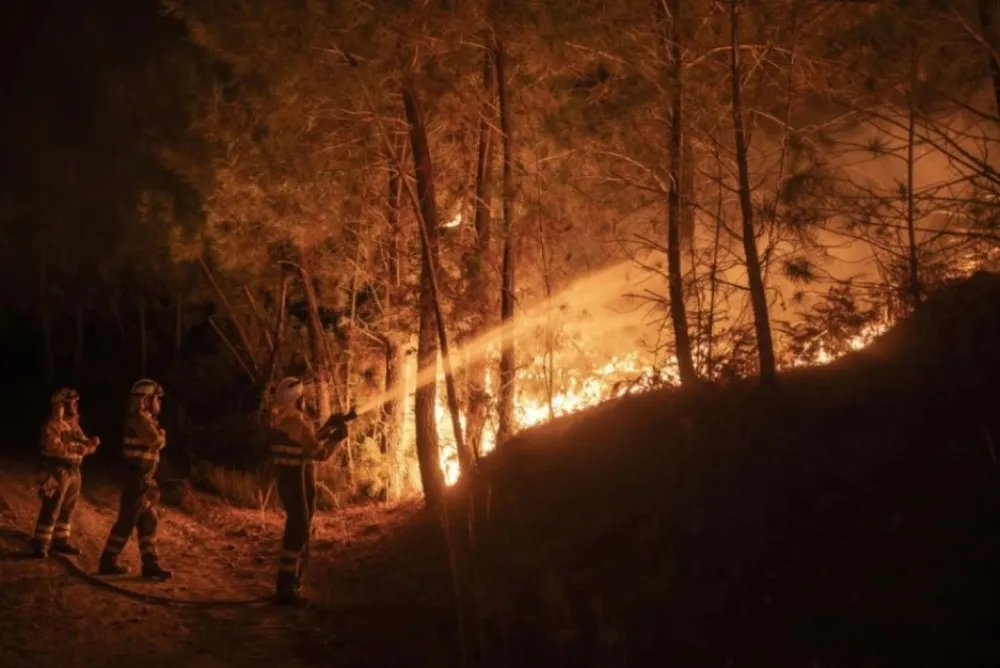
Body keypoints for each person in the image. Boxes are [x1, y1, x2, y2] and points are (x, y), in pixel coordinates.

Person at [267, 376, 351, 605]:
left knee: (295, 529)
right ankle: (286, 590)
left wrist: (326, 429)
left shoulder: (281, 421)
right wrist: (337, 439)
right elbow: (318, 454)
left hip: (286, 480)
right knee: (298, 530)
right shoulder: (299, 423)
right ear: (298, 399)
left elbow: (303, 444)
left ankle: (287, 584)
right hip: (298, 482)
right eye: (302, 397)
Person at [97, 378, 172, 581]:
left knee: (149, 520)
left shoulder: (145, 420)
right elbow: (156, 440)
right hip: (136, 478)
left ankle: (150, 564)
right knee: (128, 519)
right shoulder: (138, 419)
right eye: (156, 399)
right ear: (145, 400)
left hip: (144, 478)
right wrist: (161, 436)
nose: (159, 403)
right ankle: (108, 561)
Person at [31, 388, 100, 557]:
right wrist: (79, 448)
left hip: (74, 471)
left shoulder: (74, 426)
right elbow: (55, 447)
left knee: (68, 508)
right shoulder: (52, 426)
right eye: (72, 402)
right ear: (62, 405)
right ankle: (40, 543)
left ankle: (60, 541)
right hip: (57, 470)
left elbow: (84, 446)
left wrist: (91, 444)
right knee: (51, 506)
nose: (76, 405)